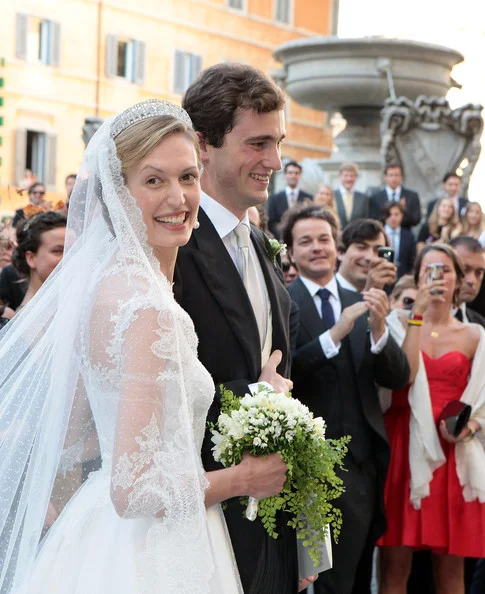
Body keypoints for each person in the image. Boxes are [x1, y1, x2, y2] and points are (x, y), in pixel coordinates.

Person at [0, 99, 243, 593]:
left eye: (188, 177)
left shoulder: (105, 286)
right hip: (146, 553)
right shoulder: (145, 307)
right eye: (154, 180)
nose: (178, 198)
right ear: (118, 192)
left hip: (98, 536)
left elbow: (74, 435)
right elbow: (134, 491)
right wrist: (245, 478)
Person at [177, 62, 313, 594]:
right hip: (202, 522)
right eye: (258, 144)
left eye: (277, 143)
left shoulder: (259, 242)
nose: (274, 162)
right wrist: (259, 393)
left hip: (267, 526)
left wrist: (306, 530)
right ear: (203, 143)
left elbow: (282, 380)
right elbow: (160, 393)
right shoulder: (172, 246)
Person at [282, 205, 410, 594]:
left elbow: (397, 376)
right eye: (306, 241)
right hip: (307, 468)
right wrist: (333, 335)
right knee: (316, 581)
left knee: (355, 577)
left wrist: (378, 332)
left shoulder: (364, 299)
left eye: (324, 239)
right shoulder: (282, 301)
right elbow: (286, 372)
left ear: (336, 246)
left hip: (361, 467)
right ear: (290, 251)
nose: (317, 248)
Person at [377, 244, 485, 594]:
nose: (438, 277)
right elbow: (404, 377)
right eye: (430, 270)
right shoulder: (398, 324)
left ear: (458, 278)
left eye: (446, 270)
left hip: (453, 452)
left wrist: (468, 426)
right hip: (403, 444)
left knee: (451, 571)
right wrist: (417, 315)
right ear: (419, 276)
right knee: (394, 567)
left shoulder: (475, 335)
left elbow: (482, 399)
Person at [12, 212, 67, 311]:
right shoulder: (28, 320)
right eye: (58, 251)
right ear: (31, 258)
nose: (68, 257)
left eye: (72, 250)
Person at [336, 219, 397, 293]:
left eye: (377, 250)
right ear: (341, 252)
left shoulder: (386, 297)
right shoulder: (325, 293)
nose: (370, 257)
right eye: (361, 247)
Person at [268, 161, 312, 238]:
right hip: (281, 240)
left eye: (296, 173)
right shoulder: (275, 199)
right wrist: (282, 235)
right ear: (285, 175)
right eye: (290, 173)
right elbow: (271, 223)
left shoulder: (308, 198)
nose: (293, 176)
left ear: (300, 176)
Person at [369, 164, 421, 228]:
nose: (394, 179)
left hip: (404, 235)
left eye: (397, 175)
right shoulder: (375, 197)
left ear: (401, 177)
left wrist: (404, 210)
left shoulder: (412, 196)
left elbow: (416, 220)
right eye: (391, 175)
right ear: (385, 177)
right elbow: (373, 219)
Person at [449, 236, 485, 326]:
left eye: (479, 273)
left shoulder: (480, 325)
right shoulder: (414, 317)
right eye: (464, 270)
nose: (472, 281)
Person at [382, 202, 416, 279]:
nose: (393, 218)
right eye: (389, 215)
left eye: (396, 214)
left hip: (402, 278)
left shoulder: (409, 236)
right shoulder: (379, 234)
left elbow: (411, 261)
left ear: (402, 215)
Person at [333, 162, 369, 229]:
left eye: (352, 176)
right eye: (346, 175)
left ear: (356, 177)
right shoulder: (332, 196)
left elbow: (365, 221)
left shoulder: (363, 198)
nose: (349, 179)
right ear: (340, 177)